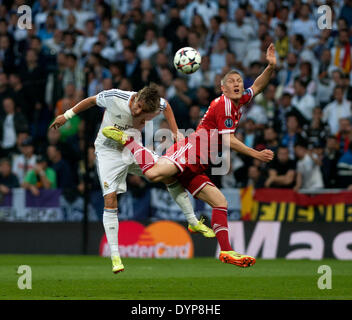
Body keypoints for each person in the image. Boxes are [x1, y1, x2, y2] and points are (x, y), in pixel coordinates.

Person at [102, 43, 277, 268]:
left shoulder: (239, 100)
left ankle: (226, 252)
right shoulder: (223, 104)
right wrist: (257, 154)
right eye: (231, 82)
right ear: (223, 89)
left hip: (199, 164)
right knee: (154, 175)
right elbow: (227, 140)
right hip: (191, 150)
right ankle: (126, 138)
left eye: (239, 82)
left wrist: (270, 66)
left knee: (220, 202)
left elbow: (258, 86)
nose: (236, 85)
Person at [50, 83, 214, 274]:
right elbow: (91, 100)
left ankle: (192, 221)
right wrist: (67, 115)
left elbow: (167, 105)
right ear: (137, 97)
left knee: (168, 175)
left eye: (144, 111)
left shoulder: (155, 105)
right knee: (110, 199)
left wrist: (176, 132)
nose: (138, 112)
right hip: (108, 152)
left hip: (133, 148)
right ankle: (115, 257)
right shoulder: (115, 97)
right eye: (138, 106)